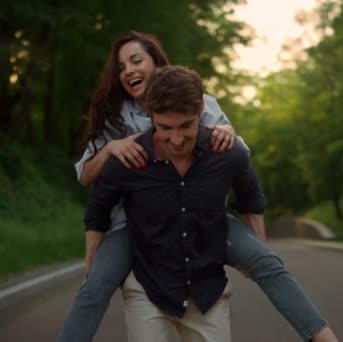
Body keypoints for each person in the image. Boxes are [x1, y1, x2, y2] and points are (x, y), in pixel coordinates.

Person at [58, 31, 338, 342]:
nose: (128, 71)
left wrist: (227, 132)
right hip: (138, 222)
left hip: (203, 213)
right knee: (96, 283)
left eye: (136, 61)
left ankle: (323, 337)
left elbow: (238, 164)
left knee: (268, 264)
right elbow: (91, 184)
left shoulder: (200, 100)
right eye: (121, 67)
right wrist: (112, 149)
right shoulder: (115, 117)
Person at [85, 65, 264, 341]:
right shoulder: (128, 160)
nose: (177, 139)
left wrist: (258, 256)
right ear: (150, 115)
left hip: (208, 295)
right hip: (146, 291)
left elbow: (251, 199)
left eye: (185, 126)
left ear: (200, 109)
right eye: (165, 127)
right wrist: (92, 273)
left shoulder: (227, 153)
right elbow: (97, 212)